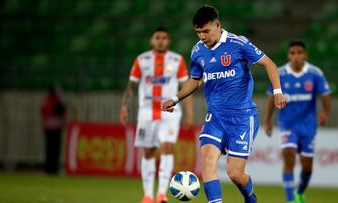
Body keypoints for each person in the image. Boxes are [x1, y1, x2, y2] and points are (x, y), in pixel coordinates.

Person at [162, 5, 286, 203]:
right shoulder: (198, 51)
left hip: (242, 117)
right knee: (208, 163)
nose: (202, 36)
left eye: (205, 31)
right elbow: (195, 80)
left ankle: (250, 198)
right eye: (198, 32)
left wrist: (278, 92)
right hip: (215, 116)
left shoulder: (238, 44)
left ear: (218, 25)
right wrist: (175, 98)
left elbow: (269, 64)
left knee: (235, 173)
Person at [120, 27, 194, 203]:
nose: (161, 40)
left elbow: (187, 87)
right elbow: (131, 85)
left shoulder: (177, 60)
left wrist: (190, 113)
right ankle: (147, 195)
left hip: (170, 112)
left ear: (168, 41)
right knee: (148, 152)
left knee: (167, 148)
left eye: (164, 38)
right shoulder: (142, 60)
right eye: (157, 37)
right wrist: (124, 106)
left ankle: (162, 194)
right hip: (146, 112)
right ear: (151, 40)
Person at [264, 41, 331, 203]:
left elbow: (325, 94)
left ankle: (300, 192)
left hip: (308, 126)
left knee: (307, 167)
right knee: (289, 157)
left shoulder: (315, 73)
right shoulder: (279, 73)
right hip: (287, 124)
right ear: (288, 55)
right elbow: (271, 97)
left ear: (305, 55)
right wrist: (267, 121)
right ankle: (290, 199)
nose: (296, 56)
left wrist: (325, 113)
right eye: (292, 53)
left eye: (299, 53)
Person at [41, 87, 67, 175]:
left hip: (48, 128)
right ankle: (53, 169)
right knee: (55, 150)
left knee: (49, 149)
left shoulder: (46, 102)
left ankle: (48, 168)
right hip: (56, 128)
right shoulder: (56, 102)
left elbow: (43, 112)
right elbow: (61, 112)